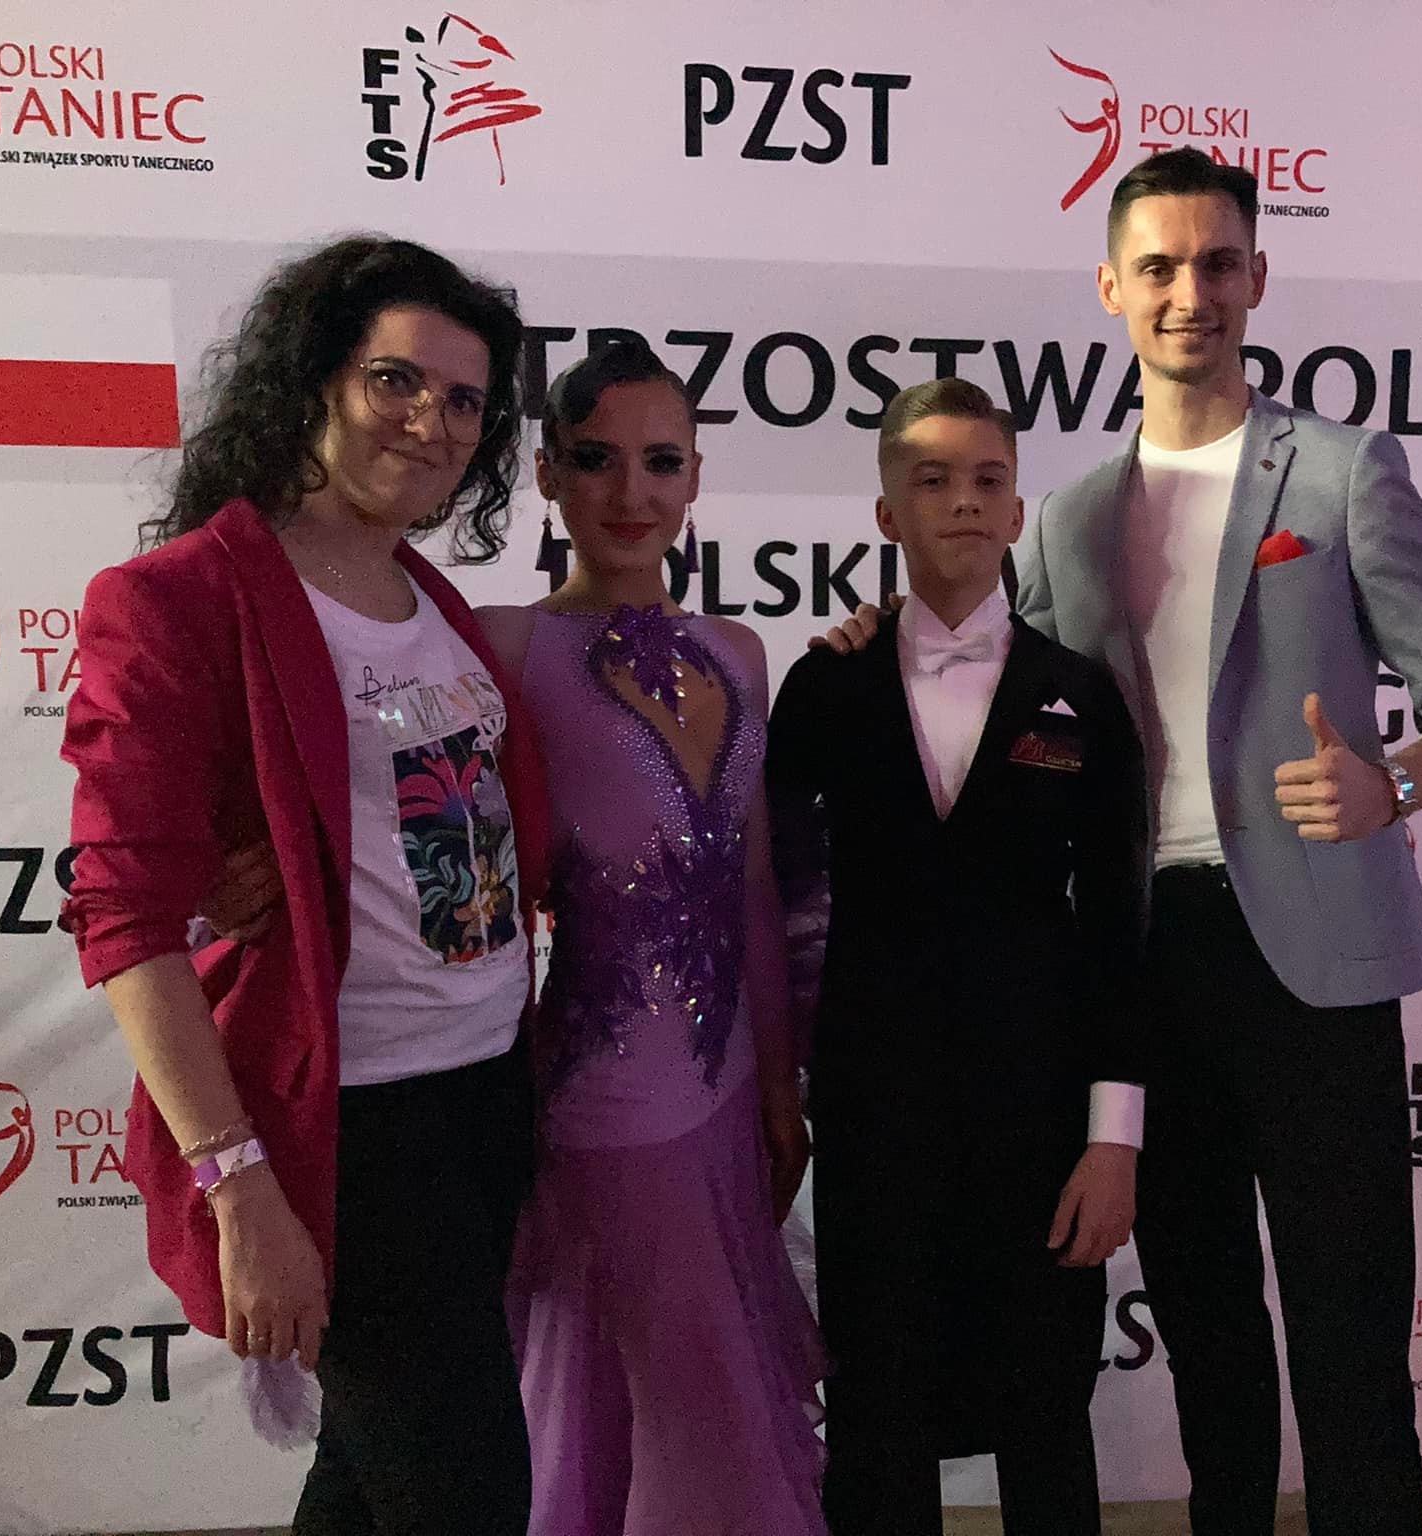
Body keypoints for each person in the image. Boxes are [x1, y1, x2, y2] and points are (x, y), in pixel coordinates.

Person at [823, 148, 1422, 1535]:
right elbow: (995, 679)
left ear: (1257, 277)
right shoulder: (1066, 516)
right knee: (1205, 1326)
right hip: (1143, 968)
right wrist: (876, 639)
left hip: (1317, 962)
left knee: (1348, 1332)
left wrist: (1397, 782)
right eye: (1157, 267)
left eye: (1214, 263)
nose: (1187, 292)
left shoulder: (1342, 471)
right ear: (1111, 288)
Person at [58, 236, 547, 1534]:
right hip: (346, 1131)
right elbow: (124, 921)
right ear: (316, 378)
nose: (433, 421)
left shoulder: (427, 597)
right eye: (397, 380)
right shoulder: (180, 599)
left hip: (483, 1096)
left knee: (371, 1478)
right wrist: (240, 1185)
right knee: (467, 1494)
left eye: (464, 400)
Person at [770, 379, 1149, 1536]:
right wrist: (778, 1095)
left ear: (1018, 509)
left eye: (987, 479)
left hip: (1039, 1117)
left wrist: (1113, 1140)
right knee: (877, 1415)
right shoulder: (822, 686)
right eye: (931, 480)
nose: (964, 501)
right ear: (887, 511)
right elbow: (771, 904)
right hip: (871, 1112)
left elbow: (1117, 928)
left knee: (1045, 1411)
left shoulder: (1078, 695)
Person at [477, 338, 826, 1536]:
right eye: (595, 460)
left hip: (730, 1092)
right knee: (672, 1401)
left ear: (694, 479)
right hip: (600, 1090)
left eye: (660, 462)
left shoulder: (740, 650)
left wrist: (778, 1091)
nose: (631, 492)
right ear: (546, 475)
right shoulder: (504, 647)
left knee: (696, 1393)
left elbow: (754, 882)